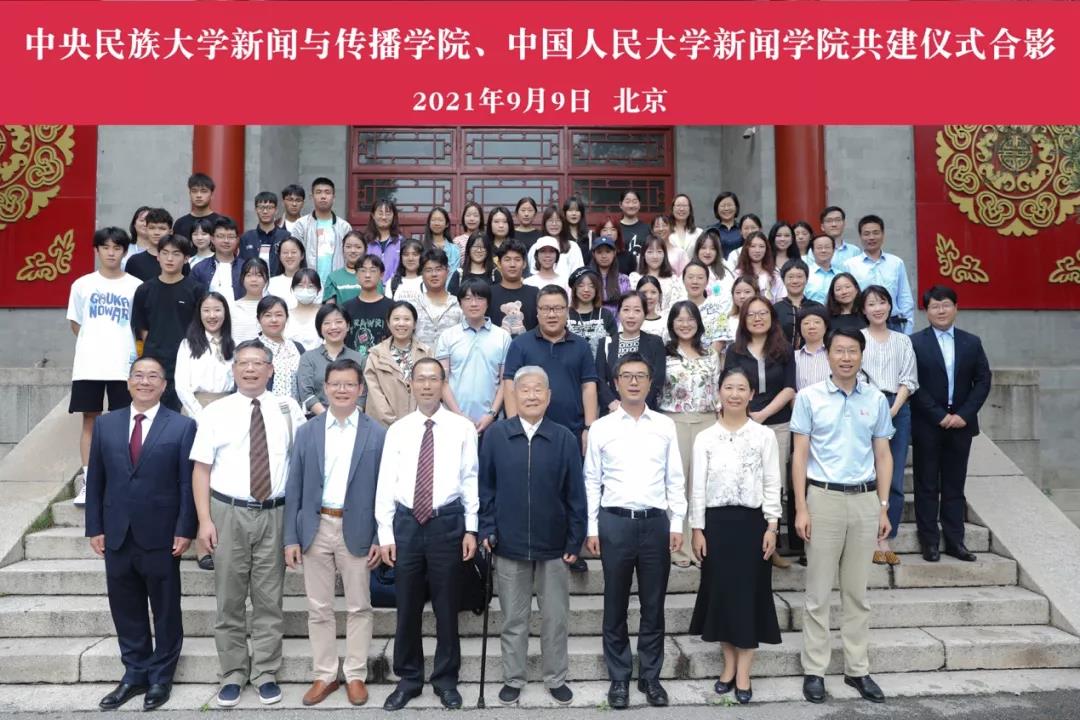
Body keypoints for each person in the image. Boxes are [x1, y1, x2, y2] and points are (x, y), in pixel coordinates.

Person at [191, 340, 306, 708]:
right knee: (229, 598)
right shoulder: (216, 412)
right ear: (234, 369)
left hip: (275, 512)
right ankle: (233, 673)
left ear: (271, 370)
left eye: (258, 363)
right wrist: (204, 521)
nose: (251, 369)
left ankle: (266, 672)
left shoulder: (289, 409)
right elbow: (201, 469)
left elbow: (301, 464)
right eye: (243, 363)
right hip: (228, 512)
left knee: (269, 598)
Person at [84, 355, 197, 712]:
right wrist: (94, 527)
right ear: (128, 382)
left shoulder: (182, 427)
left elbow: (186, 484)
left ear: (164, 385)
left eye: (153, 377)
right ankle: (134, 673)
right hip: (116, 532)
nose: (145, 382)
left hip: (162, 535)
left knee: (165, 609)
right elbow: (96, 480)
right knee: (125, 607)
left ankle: (161, 676)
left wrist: (185, 528)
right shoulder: (106, 424)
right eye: (138, 375)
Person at [791, 329, 894, 706]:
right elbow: (800, 455)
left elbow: (883, 454)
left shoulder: (876, 399)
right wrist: (801, 507)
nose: (846, 357)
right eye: (839, 351)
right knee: (818, 593)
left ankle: (857, 669)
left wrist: (883, 506)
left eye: (853, 351)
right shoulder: (809, 398)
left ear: (861, 355)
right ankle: (815, 671)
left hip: (865, 500)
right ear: (828, 356)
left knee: (857, 593)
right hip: (824, 499)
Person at [478, 366, 586, 707]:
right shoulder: (497, 436)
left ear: (549, 396)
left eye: (539, 389)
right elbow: (485, 488)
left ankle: (556, 678)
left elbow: (576, 495)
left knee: (555, 618)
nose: (532, 395)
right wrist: (486, 528)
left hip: (554, 547)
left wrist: (575, 539)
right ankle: (513, 677)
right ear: (514, 395)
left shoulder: (563, 438)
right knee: (514, 618)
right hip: (508, 544)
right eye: (524, 389)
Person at [375, 358, 479, 712]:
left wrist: (471, 527)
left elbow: (470, 478)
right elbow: (386, 482)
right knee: (407, 606)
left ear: (443, 384)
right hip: (406, 524)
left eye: (434, 379)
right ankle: (408, 679)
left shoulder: (462, 428)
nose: (427, 385)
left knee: (447, 606)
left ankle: (446, 679)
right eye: (420, 379)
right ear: (411, 384)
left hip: (446, 522)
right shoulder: (398, 430)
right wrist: (385, 533)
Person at [584, 353, 686, 710]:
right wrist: (592, 527)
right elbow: (591, 480)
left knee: (653, 604)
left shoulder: (665, 426)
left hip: (655, 523)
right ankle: (619, 677)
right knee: (615, 603)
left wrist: (677, 522)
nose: (633, 382)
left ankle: (650, 677)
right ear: (615, 382)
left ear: (650, 382)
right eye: (626, 375)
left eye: (640, 376)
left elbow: (675, 477)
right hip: (614, 523)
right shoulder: (602, 427)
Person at [284, 358, 385, 707]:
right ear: (325, 388)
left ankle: (355, 674)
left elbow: (384, 490)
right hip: (316, 527)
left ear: (360, 389)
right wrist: (291, 537)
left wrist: (379, 537)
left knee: (360, 606)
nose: (342, 390)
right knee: (319, 607)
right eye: (335, 384)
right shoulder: (307, 432)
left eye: (349, 384)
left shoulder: (376, 433)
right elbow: (294, 488)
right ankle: (325, 674)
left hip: (358, 528)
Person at [689, 366, 783, 705]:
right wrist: (697, 529)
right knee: (721, 597)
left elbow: (772, 482)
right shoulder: (705, 438)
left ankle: (744, 672)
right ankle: (728, 667)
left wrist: (772, 526)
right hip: (716, 526)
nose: (734, 394)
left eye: (741, 388)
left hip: (752, 525)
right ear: (719, 392)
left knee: (749, 597)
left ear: (751, 393)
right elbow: (697, 487)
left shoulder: (763, 436)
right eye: (728, 387)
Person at [910, 285, 991, 563]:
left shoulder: (972, 342)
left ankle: (956, 542)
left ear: (956, 308)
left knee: (955, 485)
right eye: (935, 306)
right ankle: (929, 542)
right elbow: (912, 383)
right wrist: (938, 415)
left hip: (961, 425)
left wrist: (964, 414)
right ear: (926, 311)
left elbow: (983, 380)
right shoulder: (915, 343)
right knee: (926, 484)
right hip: (928, 425)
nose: (941, 310)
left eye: (946, 305)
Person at [67, 227, 142, 506]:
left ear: (124, 251)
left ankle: (121, 480)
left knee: (124, 423)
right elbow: (76, 324)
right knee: (91, 420)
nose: (111, 253)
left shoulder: (136, 286)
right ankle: (90, 482)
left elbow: (139, 327)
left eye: (117, 248)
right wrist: (96, 344)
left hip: (124, 365)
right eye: (106, 247)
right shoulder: (82, 285)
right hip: (89, 364)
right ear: (96, 250)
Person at [723, 297, 797, 568]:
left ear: (772, 317)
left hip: (777, 424)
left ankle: (772, 544)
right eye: (751, 314)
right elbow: (730, 387)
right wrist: (747, 416)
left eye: (763, 313)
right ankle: (747, 543)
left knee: (773, 485)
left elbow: (789, 388)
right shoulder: (735, 351)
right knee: (746, 483)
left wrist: (763, 414)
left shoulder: (784, 349)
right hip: (742, 425)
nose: (757, 318)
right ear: (743, 319)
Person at [859, 286, 919, 566]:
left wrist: (893, 408)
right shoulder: (858, 339)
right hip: (864, 406)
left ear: (890, 306)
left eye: (882, 302)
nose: (877, 308)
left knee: (892, 476)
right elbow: (855, 375)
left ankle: (885, 537)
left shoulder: (902, 341)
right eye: (871, 304)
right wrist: (878, 408)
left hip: (898, 406)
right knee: (866, 473)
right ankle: (865, 538)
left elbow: (909, 378)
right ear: (863, 309)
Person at [659, 300, 721, 568]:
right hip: (674, 420)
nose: (685, 324)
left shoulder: (710, 354)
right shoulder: (664, 353)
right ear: (672, 323)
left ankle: (701, 545)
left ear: (698, 323)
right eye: (680, 320)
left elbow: (717, 389)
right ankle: (678, 546)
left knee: (703, 484)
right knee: (677, 483)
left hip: (706, 421)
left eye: (690, 319)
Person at [503, 285, 599, 457]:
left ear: (567, 311)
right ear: (537, 312)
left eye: (558, 308)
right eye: (546, 309)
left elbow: (588, 386)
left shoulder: (581, 346)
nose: (552, 314)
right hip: (529, 432)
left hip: (573, 431)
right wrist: (514, 427)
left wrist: (589, 427)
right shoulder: (520, 344)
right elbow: (510, 386)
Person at [132, 233, 206, 412]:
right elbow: (141, 328)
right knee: (152, 413)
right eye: (164, 253)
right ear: (157, 256)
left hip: (186, 362)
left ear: (186, 258)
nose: (169, 258)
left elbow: (201, 327)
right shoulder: (144, 290)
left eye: (176, 254)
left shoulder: (196, 290)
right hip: (154, 362)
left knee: (182, 415)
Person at [436, 279, 511, 432]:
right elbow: (442, 380)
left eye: (480, 298)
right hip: (453, 420)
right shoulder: (448, 336)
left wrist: (491, 414)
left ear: (488, 303)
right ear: (460, 303)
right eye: (468, 298)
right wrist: (459, 415)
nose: (474, 304)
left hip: (492, 422)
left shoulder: (503, 337)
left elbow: (505, 381)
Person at [363, 302, 434, 427]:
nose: (401, 323)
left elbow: (431, 389)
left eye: (407, 319)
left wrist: (418, 420)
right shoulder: (376, 355)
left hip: (419, 425)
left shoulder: (426, 353)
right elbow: (375, 395)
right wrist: (394, 424)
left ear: (414, 324)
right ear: (388, 323)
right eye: (396, 319)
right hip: (384, 426)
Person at [595, 291, 666, 413]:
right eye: (626, 310)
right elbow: (599, 378)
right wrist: (612, 403)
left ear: (645, 314)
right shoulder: (606, 343)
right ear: (618, 313)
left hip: (646, 412)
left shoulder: (655, 342)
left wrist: (638, 407)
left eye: (637, 310)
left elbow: (657, 380)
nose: (631, 316)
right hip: (613, 412)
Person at [843, 215, 915, 334]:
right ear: (860, 236)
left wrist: (908, 330)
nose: (871, 237)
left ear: (883, 234)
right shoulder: (850, 265)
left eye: (876, 233)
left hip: (892, 324)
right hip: (862, 323)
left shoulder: (896, 263)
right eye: (866, 234)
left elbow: (905, 298)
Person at [175, 292, 235, 423]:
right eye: (206, 310)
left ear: (225, 313)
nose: (212, 315)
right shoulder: (187, 345)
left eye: (217, 310)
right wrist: (200, 416)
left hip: (229, 410)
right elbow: (181, 386)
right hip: (195, 410)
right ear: (199, 313)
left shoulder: (236, 345)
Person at [298, 304, 364, 417]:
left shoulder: (359, 358)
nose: (333, 327)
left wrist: (350, 418)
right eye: (327, 323)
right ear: (320, 328)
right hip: (318, 419)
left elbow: (362, 395)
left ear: (348, 326)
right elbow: (306, 393)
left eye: (339, 322)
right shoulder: (308, 358)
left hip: (353, 420)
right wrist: (329, 418)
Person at [290, 177, 355, 285]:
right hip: (308, 283)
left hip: (336, 284)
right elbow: (294, 254)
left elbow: (350, 256)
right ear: (312, 196)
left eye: (327, 192)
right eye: (318, 192)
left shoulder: (344, 227)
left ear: (333, 197)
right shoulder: (301, 225)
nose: (323, 196)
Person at [343, 255, 393, 360]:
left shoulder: (392, 307)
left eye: (373, 270)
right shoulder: (346, 308)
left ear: (381, 275)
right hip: (352, 365)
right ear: (356, 275)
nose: (367, 275)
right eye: (362, 270)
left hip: (382, 364)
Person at [256, 295, 304, 403]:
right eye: (267, 315)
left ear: (286, 317)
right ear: (259, 319)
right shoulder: (252, 349)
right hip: (264, 409)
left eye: (279, 315)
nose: (274, 320)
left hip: (295, 409)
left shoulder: (297, 347)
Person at [414, 249, 463, 348]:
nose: (434, 274)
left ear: (447, 271)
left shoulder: (460, 305)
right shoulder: (413, 305)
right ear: (422, 274)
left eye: (438, 269)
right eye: (428, 270)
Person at [681, 261, 732, 353]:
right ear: (683, 280)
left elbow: (719, 343)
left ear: (707, 281)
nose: (695, 281)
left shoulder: (718, 310)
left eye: (700, 278)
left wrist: (703, 360)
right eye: (690, 277)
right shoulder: (675, 308)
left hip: (709, 359)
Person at [487, 240, 536, 337]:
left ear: (524, 264)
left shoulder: (535, 293)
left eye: (517, 259)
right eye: (507, 259)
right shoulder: (489, 293)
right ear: (499, 264)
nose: (512, 264)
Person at [567, 266, 616, 357]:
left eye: (591, 286)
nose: (586, 290)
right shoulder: (565, 315)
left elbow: (614, 345)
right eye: (581, 285)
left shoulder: (606, 315)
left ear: (596, 289)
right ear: (574, 289)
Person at [774, 259, 824, 349]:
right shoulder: (775, 309)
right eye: (790, 277)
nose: (795, 281)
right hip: (781, 356)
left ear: (807, 279)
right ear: (783, 280)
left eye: (799, 276)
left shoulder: (817, 308)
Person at [239, 192, 291, 276]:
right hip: (253, 281)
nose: (265, 211)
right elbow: (241, 264)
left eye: (270, 208)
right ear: (256, 210)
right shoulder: (246, 237)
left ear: (276, 210)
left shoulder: (285, 236)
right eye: (261, 207)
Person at [191, 216, 244, 300]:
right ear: (212, 239)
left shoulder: (245, 267)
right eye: (221, 236)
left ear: (237, 240)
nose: (226, 241)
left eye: (231, 237)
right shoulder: (199, 269)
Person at [526, 205, 585, 277]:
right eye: (550, 220)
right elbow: (531, 273)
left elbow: (579, 274)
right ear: (545, 223)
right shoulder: (536, 247)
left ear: (563, 223)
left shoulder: (572, 247)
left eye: (558, 220)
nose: (554, 224)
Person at [629, 235, 680, 310]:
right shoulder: (634, 278)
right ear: (643, 255)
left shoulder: (673, 279)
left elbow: (676, 306)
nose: (655, 256)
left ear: (664, 255)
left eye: (659, 252)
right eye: (650, 252)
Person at [124, 208, 176, 283]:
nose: (156, 232)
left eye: (162, 228)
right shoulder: (134, 261)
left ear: (170, 232)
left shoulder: (179, 260)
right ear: (146, 230)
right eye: (152, 228)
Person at [734, 231, 785, 302]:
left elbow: (780, 300)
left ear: (766, 249)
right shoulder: (738, 274)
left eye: (761, 246)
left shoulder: (774, 274)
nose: (757, 250)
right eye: (753, 246)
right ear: (746, 248)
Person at [230, 258, 270, 343]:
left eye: (259, 275)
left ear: (266, 279)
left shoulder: (272, 307)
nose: (254, 279)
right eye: (249, 275)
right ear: (242, 278)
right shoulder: (232, 307)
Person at [322, 230, 367, 305]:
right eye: (348, 247)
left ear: (365, 250)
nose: (353, 250)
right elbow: (330, 308)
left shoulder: (372, 276)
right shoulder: (333, 277)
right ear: (343, 249)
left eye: (358, 247)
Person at [173, 173, 221, 241]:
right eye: (194, 191)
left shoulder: (220, 222)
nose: (198, 195)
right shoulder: (180, 223)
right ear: (190, 194)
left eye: (204, 191)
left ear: (212, 195)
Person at [590, 235, 631, 314]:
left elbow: (627, 306)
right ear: (593, 254)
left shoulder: (623, 279)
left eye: (608, 251)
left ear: (614, 253)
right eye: (599, 252)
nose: (604, 256)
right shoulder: (588, 279)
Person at [689, 229, 734, 301]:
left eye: (712, 249)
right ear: (697, 250)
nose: (708, 252)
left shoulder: (725, 273)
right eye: (703, 248)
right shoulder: (689, 270)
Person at [795, 307, 832, 392]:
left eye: (817, 322)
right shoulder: (793, 357)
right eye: (806, 323)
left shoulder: (835, 355)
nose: (812, 326)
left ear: (826, 326)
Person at [285, 269, 323, 350]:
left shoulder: (325, 313)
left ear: (318, 290)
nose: (305, 290)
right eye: (300, 286)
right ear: (293, 288)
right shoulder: (285, 315)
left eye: (310, 286)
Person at [266, 237, 307, 308]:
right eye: (285, 252)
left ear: (302, 255)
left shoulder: (312, 282)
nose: (289, 256)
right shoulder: (271, 283)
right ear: (279, 256)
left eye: (293, 252)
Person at [422, 207, 462, 279]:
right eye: (433, 220)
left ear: (447, 224)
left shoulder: (454, 250)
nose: (437, 223)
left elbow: (453, 274)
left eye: (440, 220)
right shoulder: (421, 248)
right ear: (429, 223)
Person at [386, 238, 425, 305]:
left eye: (415, 254)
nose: (410, 258)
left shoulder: (427, 281)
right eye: (406, 255)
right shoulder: (392, 283)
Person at [804, 234, 838, 305]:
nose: (823, 250)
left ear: (834, 250)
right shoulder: (805, 274)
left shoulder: (840, 275)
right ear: (812, 251)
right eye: (819, 248)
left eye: (827, 247)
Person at [706, 191, 742, 257]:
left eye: (729, 205)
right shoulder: (711, 230)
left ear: (736, 207)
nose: (726, 209)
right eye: (722, 206)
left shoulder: (743, 228)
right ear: (717, 209)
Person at [617, 189, 650, 259]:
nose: (631, 205)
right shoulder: (615, 228)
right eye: (627, 202)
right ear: (620, 205)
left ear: (640, 204)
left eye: (635, 202)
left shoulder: (648, 228)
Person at [563, 195, 593, 261]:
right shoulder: (561, 235)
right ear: (565, 213)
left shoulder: (590, 236)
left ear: (581, 213)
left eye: (577, 210)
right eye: (570, 210)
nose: (574, 213)